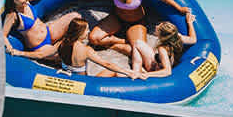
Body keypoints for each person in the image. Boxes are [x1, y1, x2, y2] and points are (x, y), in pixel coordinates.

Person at [60, 0, 190, 54]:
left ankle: (116, 44)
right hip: (117, 18)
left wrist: (179, 8)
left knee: (138, 51)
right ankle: (122, 42)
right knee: (93, 38)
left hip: (136, 23)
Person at [8, 19, 144, 79]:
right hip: (84, 82)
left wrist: (18, 52)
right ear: (80, 33)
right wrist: (128, 72)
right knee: (112, 73)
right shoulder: (86, 51)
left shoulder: (61, 44)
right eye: (87, 30)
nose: (88, 32)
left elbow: (40, 55)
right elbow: (107, 64)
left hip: (68, 77)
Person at [1, 0, 81, 53]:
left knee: (76, 16)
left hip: (49, 32)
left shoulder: (26, 1)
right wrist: (9, 47)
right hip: (39, 46)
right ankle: (58, 46)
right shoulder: (12, 15)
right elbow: (3, 34)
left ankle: (60, 43)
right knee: (62, 54)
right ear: (15, 0)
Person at [133, 13, 198, 78]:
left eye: (158, 28)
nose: (156, 26)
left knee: (137, 43)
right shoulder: (176, 37)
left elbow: (167, 71)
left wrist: (146, 75)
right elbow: (193, 39)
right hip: (169, 63)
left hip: (155, 69)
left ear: (162, 36)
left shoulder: (162, 49)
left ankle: (137, 70)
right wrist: (189, 22)